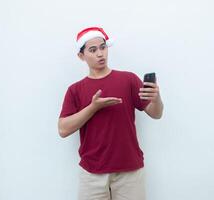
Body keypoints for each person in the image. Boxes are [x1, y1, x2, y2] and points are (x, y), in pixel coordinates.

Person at [58, 27, 164, 200]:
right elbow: (63, 129)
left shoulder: (128, 79)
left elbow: (156, 114)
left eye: (103, 47)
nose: (100, 54)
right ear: (81, 56)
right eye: (93, 50)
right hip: (92, 174)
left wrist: (156, 98)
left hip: (130, 172)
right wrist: (93, 108)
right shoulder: (75, 90)